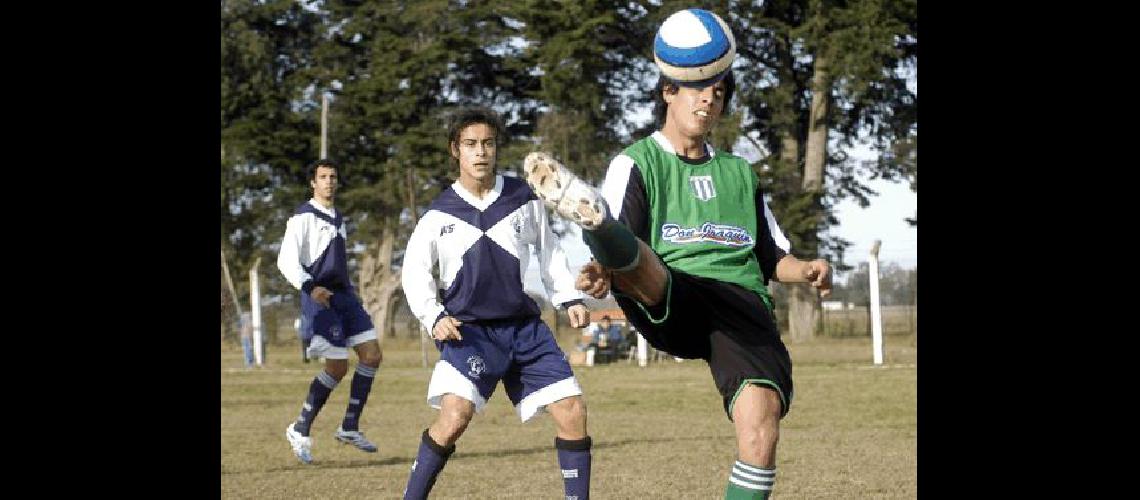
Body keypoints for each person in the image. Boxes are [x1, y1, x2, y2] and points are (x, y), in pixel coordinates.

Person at [523, 9, 832, 499]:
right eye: (697, 87)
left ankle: (603, 233)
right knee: (645, 262)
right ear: (669, 90)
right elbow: (632, 256)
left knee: (761, 431)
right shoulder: (636, 163)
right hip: (672, 291)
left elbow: (772, 256)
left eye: (719, 89)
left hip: (742, 307)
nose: (709, 97)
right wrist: (603, 269)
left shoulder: (740, 173)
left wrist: (808, 269)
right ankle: (596, 220)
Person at [400, 107, 594, 500]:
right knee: (454, 418)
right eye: (470, 144)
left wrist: (567, 297)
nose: (481, 152)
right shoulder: (438, 214)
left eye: (487, 143)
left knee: (572, 412)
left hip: (525, 330)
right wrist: (433, 314)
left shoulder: (524, 198)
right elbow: (414, 272)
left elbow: (550, 252)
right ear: (455, 150)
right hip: (469, 332)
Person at [276, 159, 384, 464]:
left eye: (333, 176)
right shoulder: (303, 217)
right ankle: (299, 428)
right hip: (320, 297)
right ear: (313, 182)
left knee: (372, 355)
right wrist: (311, 288)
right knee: (337, 367)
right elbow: (286, 261)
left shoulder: (338, 217)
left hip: (344, 296)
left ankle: (349, 426)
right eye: (323, 177)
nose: (329, 181)